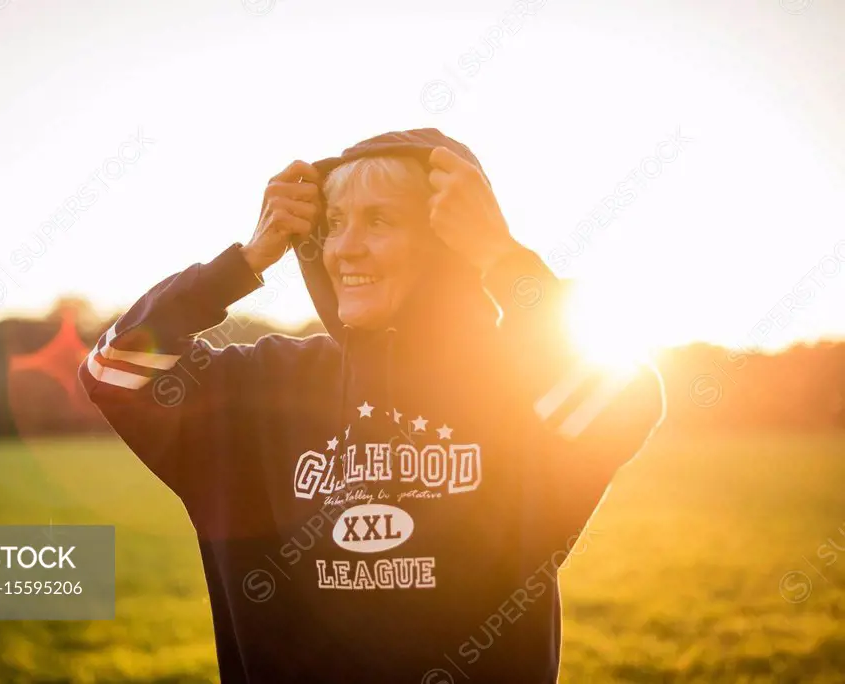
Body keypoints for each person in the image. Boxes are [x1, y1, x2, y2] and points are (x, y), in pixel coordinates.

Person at [79, 128, 666, 683]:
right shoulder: (264, 385)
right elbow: (113, 369)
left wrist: (502, 255)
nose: (345, 250)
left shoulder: (515, 384)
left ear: (449, 245)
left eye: (379, 221)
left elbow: (622, 400)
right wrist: (244, 262)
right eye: (333, 224)